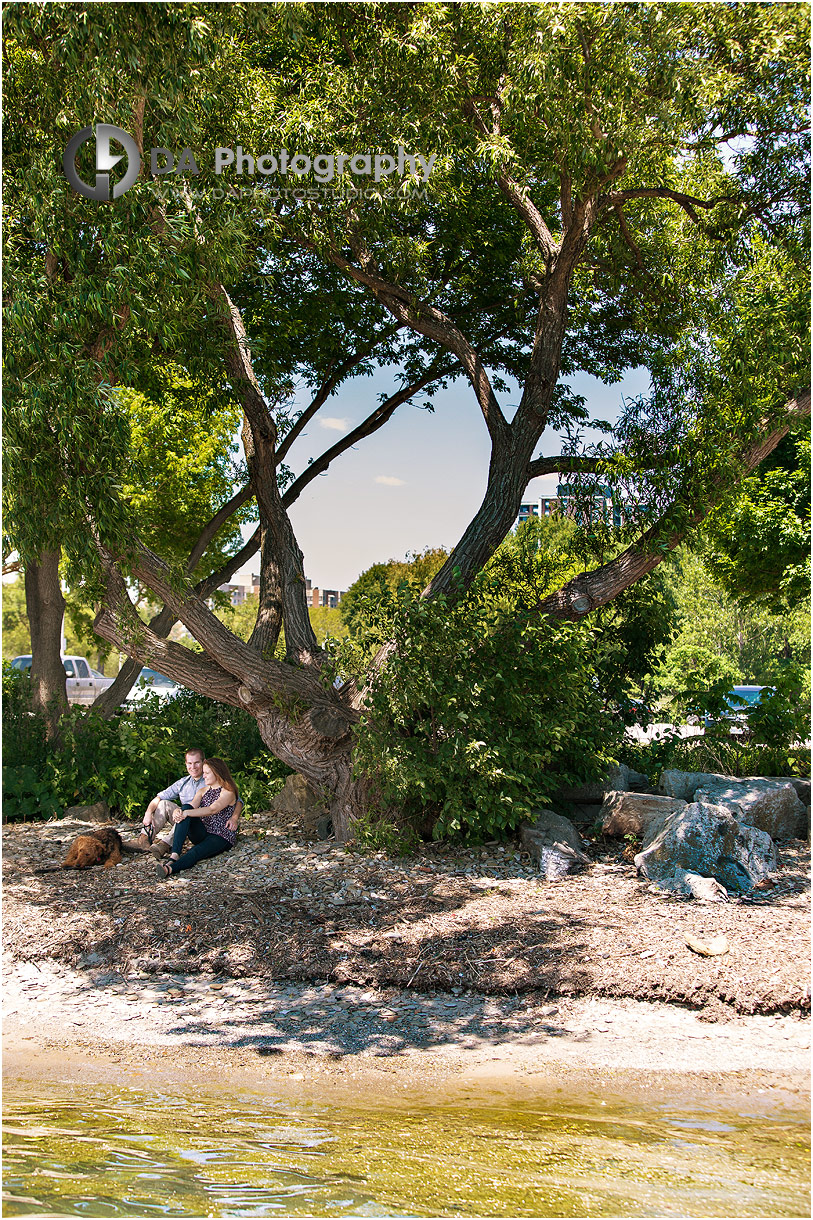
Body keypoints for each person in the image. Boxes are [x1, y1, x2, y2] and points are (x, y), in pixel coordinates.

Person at [156, 757, 241, 879]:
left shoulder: (228, 792)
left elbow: (213, 809)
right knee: (185, 807)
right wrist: (178, 811)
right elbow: (190, 807)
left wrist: (187, 813)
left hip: (221, 836)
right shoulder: (202, 791)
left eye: (207, 773)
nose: (204, 776)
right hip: (203, 832)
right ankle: (175, 854)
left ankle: (169, 868)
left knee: (195, 852)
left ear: (217, 773)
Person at [131, 748, 207, 858]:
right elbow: (159, 797)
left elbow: (236, 799)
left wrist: (233, 818)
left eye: (196, 763)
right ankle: (144, 838)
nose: (193, 767)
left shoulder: (210, 779)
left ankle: (164, 844)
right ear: (186, 764)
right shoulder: (183, 783)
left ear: (203, 762)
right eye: (190, 763)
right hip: (183, 823)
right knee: (163, 804)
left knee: (185, 811)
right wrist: (148, 813)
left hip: (201, 827)